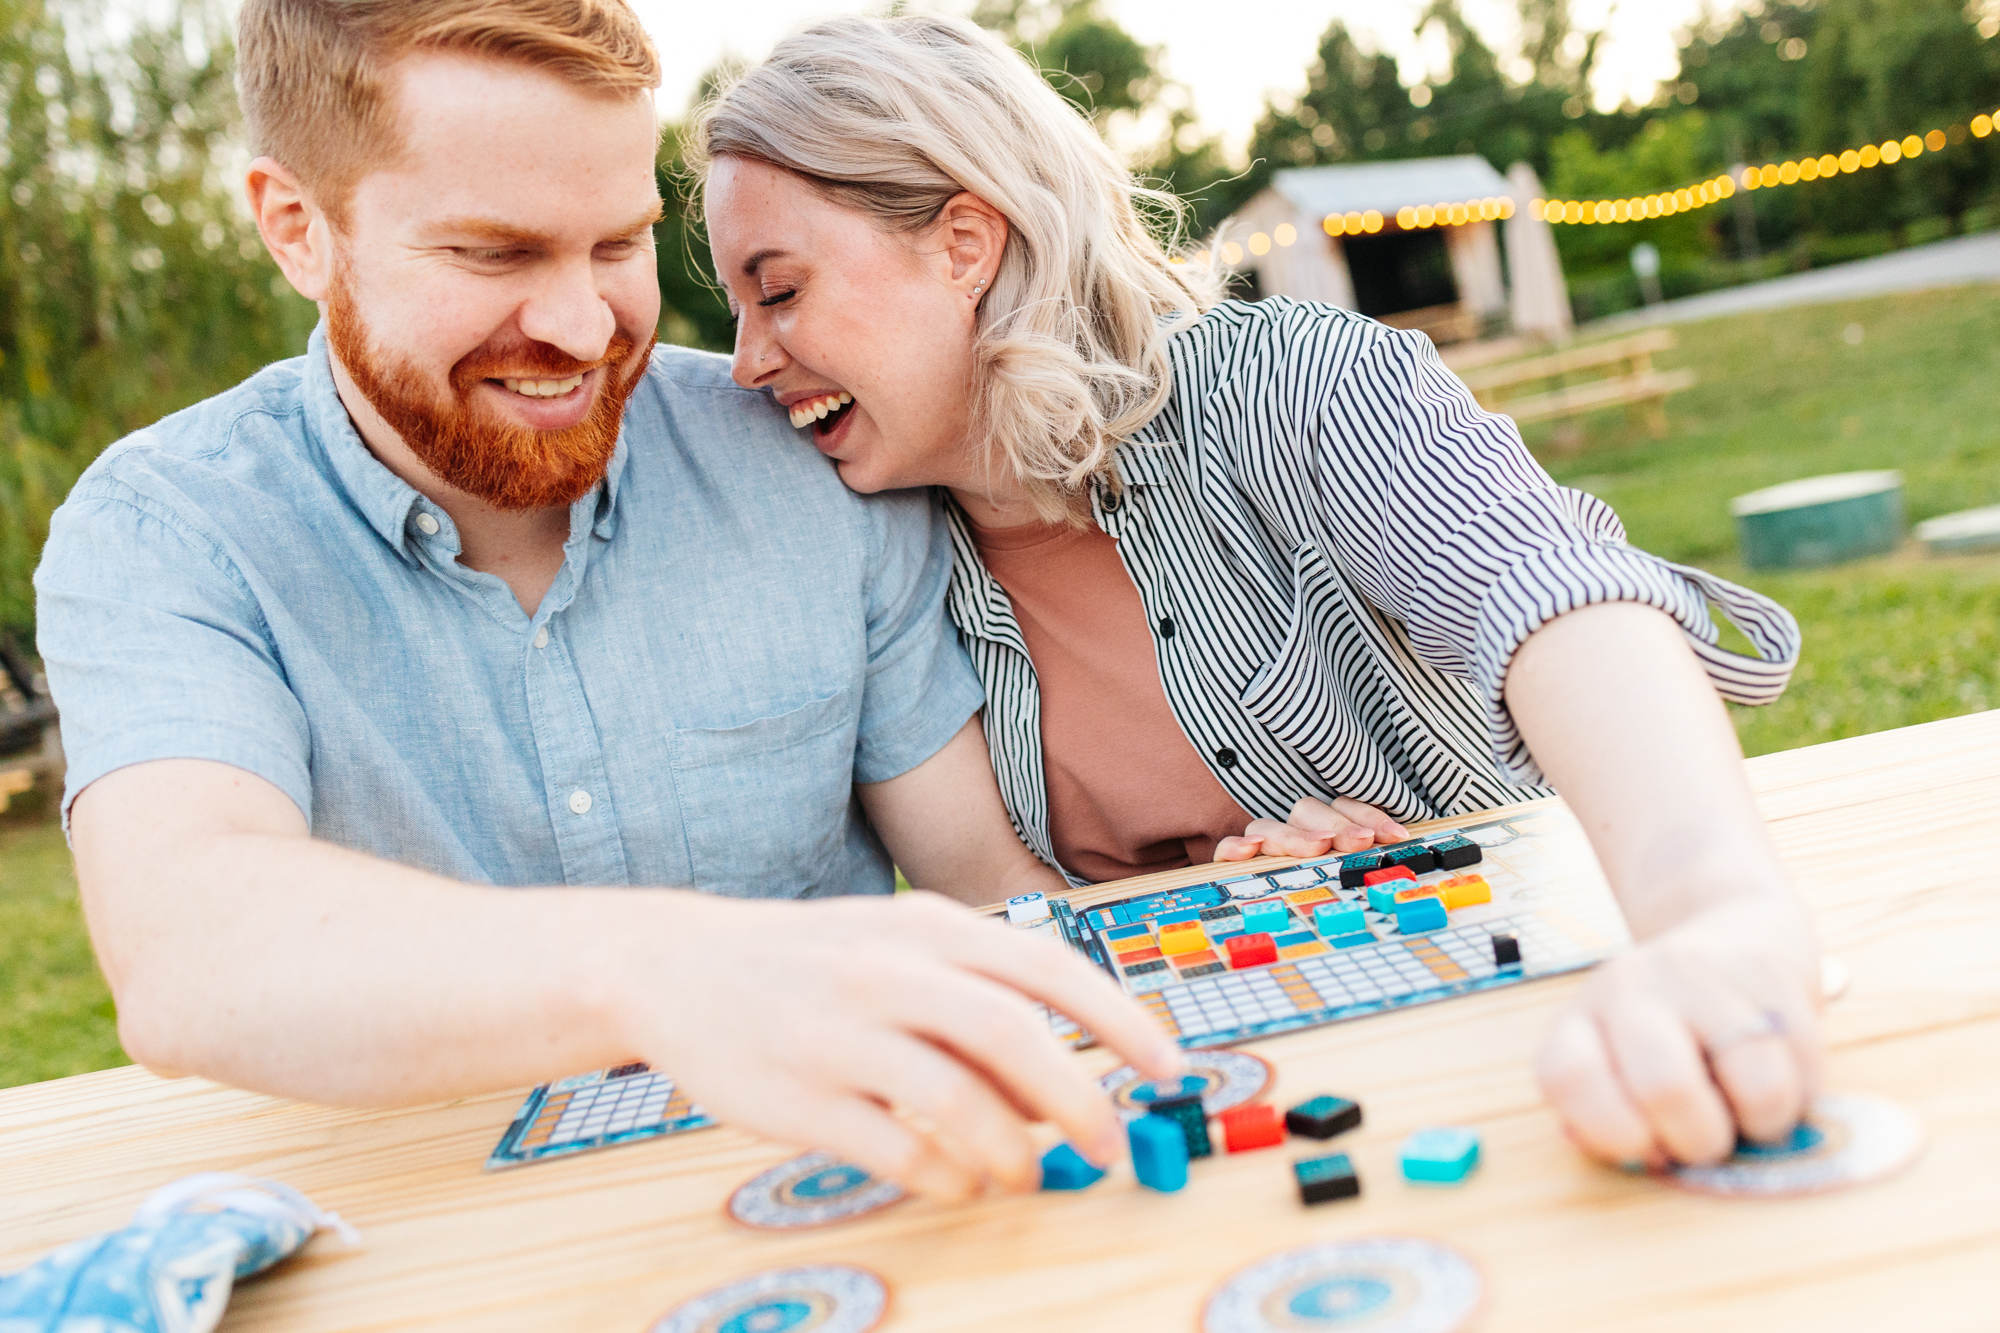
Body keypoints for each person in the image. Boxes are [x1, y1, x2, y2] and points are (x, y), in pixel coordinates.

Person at [32, 0, 1180, 1205]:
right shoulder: (169, 531)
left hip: (856, 1218)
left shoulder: (805, 459)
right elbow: (189, 952)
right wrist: (662, 969)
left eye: (617, 244)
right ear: (295, 229)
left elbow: (986, 882)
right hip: (435, 1250)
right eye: (494, 254)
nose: (583, 329)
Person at [695, 13, 1823, 1171]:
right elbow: (1006, 906)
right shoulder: (875, 551)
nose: (745, 358)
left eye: (776, 291)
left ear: (964, 244)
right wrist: (1232, 911)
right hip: (1186, 1116)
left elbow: (1559, 602)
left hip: (1527, 1048)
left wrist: (1713, 921)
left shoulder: (1292, 385)